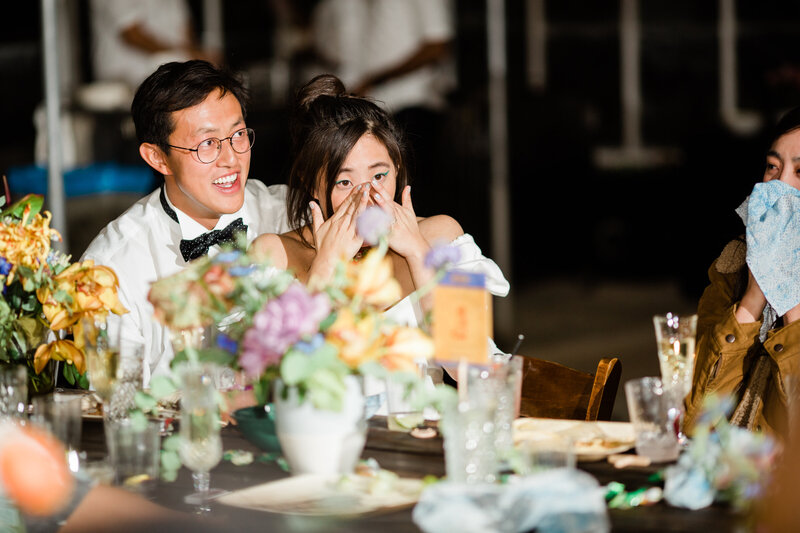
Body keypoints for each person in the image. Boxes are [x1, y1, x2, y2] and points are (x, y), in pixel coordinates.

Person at [81, 60, 290, 385]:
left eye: (237, 134)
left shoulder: (287, 215)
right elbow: (115, 405)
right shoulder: (113, 266)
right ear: (158, 157)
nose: (231, 159)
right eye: (207, 143)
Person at [250, 73, 508, 334]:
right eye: (344, 182)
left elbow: (471, 362)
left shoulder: (442, 236)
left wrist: (418, 253)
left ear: (397, 167)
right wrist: (326, 265)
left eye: (378, 176)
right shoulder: (276, 254)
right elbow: (276, 369)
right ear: (309, 184)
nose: (367, 199)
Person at [684, 106, 800, 438]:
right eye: (772, 167)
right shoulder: (735, 263)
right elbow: (696, 422)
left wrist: (792, 310)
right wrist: (753, 299)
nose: (781, 187)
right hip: (732, 474)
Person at [308, 0, 456, 218]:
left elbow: (437, 46)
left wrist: (376, 79)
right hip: (376, 110)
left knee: (413, 200)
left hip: (413, 105)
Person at [89, 0, 221, 95]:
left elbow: (185, 29)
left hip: (170, 82)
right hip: (124, 84)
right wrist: (185, 55)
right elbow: (131, 34)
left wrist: (198, 57)